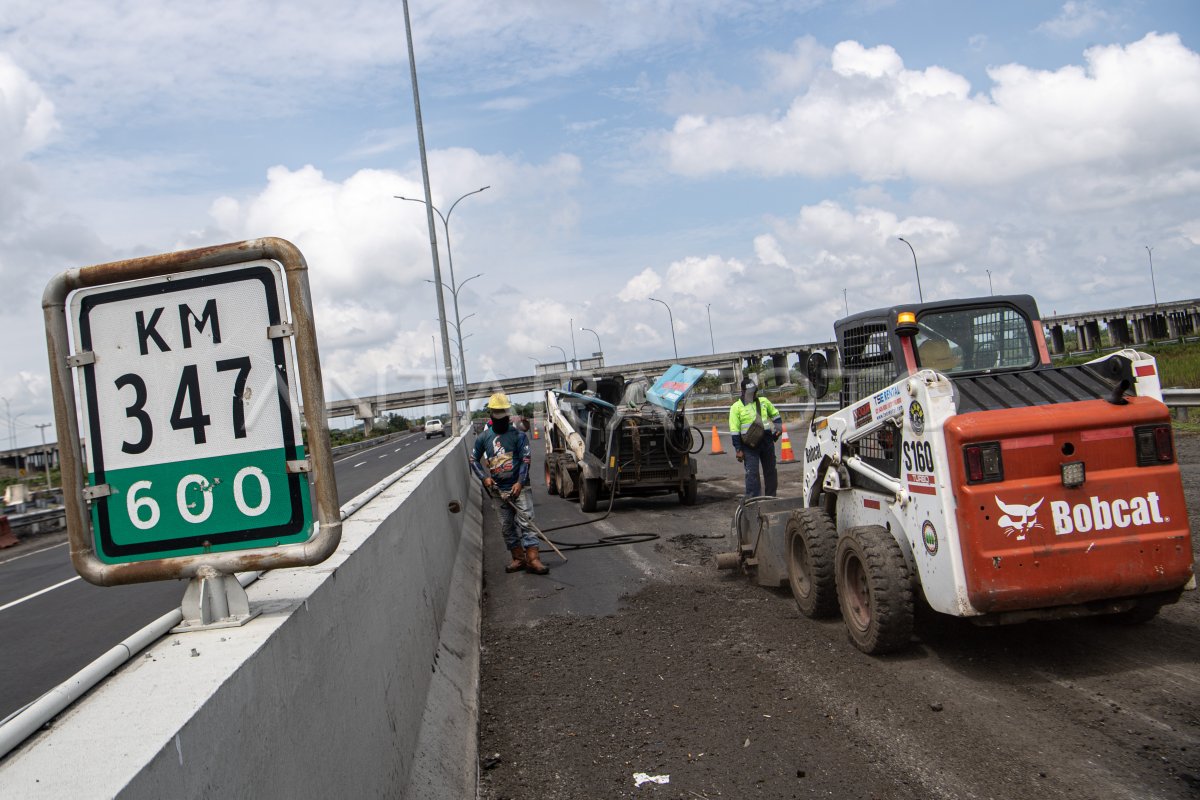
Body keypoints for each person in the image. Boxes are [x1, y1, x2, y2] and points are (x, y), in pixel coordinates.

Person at [472, 392, 548, 575]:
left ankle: (533, 559)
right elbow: (474, 460)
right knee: (507, 526)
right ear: (491, 415)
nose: (500, 419)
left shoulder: (518, 436)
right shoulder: (483, 438)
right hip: (498, 491)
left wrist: (520, 482)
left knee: (527, 522)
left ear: (507, 414)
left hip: (519, 488)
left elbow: (525, 460)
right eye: (497, 415)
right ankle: (518, 558)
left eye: (503, 415)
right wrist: (484, 477)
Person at [729, 377, 783, 498]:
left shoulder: (763, 401)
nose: (752, 395)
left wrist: (779, 428)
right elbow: (734, 430)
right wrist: (738, 449)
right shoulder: (736, 407)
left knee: (771, 472)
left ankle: (771, 498)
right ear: (742, 392)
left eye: (754, 392)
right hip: (749, 446)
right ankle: (754, 500)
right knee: (752, 474)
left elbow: (775, 415)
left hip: (767, 442)